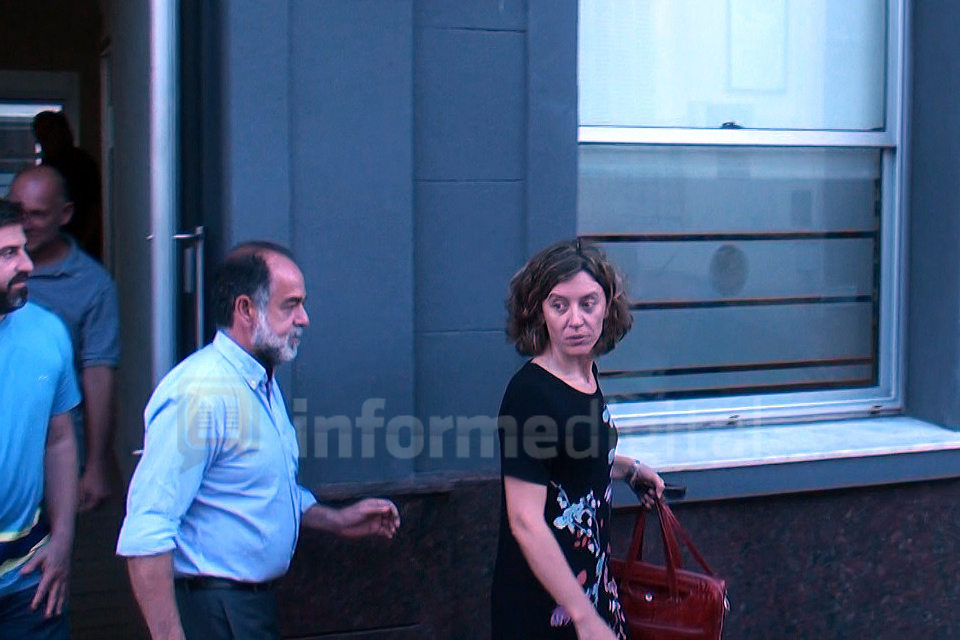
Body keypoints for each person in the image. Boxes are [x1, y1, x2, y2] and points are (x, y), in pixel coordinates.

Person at [117, 241, 401, 640]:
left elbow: (254, 489)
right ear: (246, 310)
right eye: (291, 305)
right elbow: (147, 530)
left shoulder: (259, 382)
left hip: (247, 609)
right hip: (212, 611)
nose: (304, 319)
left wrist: (335, 520)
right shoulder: (200, 393)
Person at [491, 239, 665, 640]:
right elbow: (524, 521)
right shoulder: (530, 395)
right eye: (559, 305)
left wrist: (628, 469)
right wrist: (584, 619)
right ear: (538, 310)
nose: (576, 320)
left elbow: (569, 455)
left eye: (588, 303)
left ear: (608, 307)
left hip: (593, 588)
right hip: (547, 607)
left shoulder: (585, 374)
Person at [8, 165, 121, 512]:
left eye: (37, 214)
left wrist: (96, 464)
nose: (25, 223)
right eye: (17, 212)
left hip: (56, 448)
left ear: (65, 214)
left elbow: (98, 375)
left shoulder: (92, 284)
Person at [0, 199, 80, 639]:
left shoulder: (47, 332)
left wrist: (63, 540)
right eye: (8, 253)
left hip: (29, 581)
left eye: (23, 249)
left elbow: (59, 440)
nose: (27, 264)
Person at [32, 111, 103, 261]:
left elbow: (93, 207)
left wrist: (84, 241)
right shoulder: (47, 165)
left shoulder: (81, 163)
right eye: (40, 135)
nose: (42, 140)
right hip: (54, 240)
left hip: (79, 238)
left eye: (46, 133)